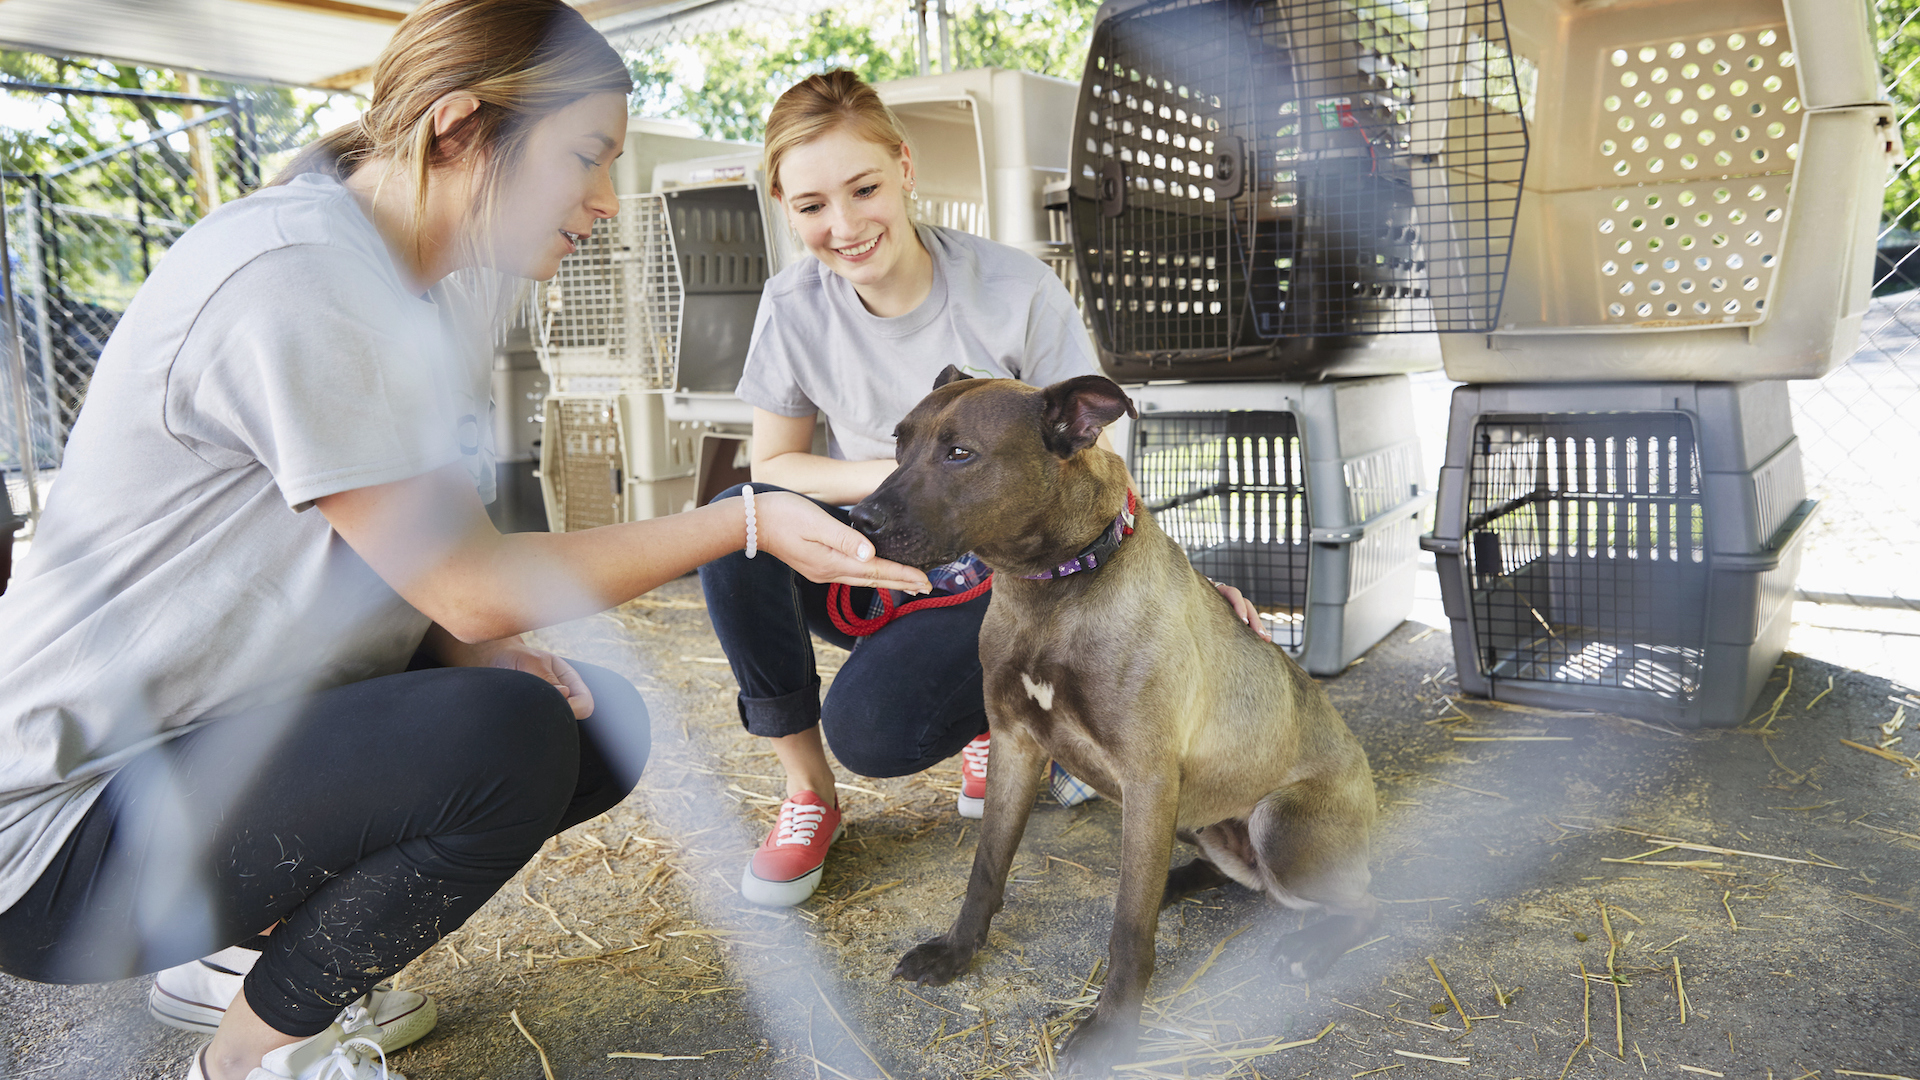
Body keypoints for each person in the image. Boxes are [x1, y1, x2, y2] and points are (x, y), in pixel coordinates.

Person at [0, 6, 927, 1080]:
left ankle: (234, 953)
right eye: (584, 158)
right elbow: (477, 585)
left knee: (590, 724)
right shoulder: (297, 276)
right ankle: (248, 1061)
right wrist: (744, 516)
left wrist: (452, 647)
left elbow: (408, 561)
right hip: (61, 831)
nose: (600, 201)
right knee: (507, 738)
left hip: (200, 750)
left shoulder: (412, 287)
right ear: (456, 131)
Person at [697, 70, 1267, 909]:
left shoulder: (1015, 290)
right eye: (812, 204)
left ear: (905, 167)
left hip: (997, 572)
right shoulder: (790, 305)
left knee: (876, 733)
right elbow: (774, 466)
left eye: (864, 189)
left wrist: (1185, 590)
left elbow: (1100, 464)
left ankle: (992, 716)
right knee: (732, 521)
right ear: (781, 202)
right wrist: (910, 483)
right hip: (879, 544)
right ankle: (808, 795)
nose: (845, 226)